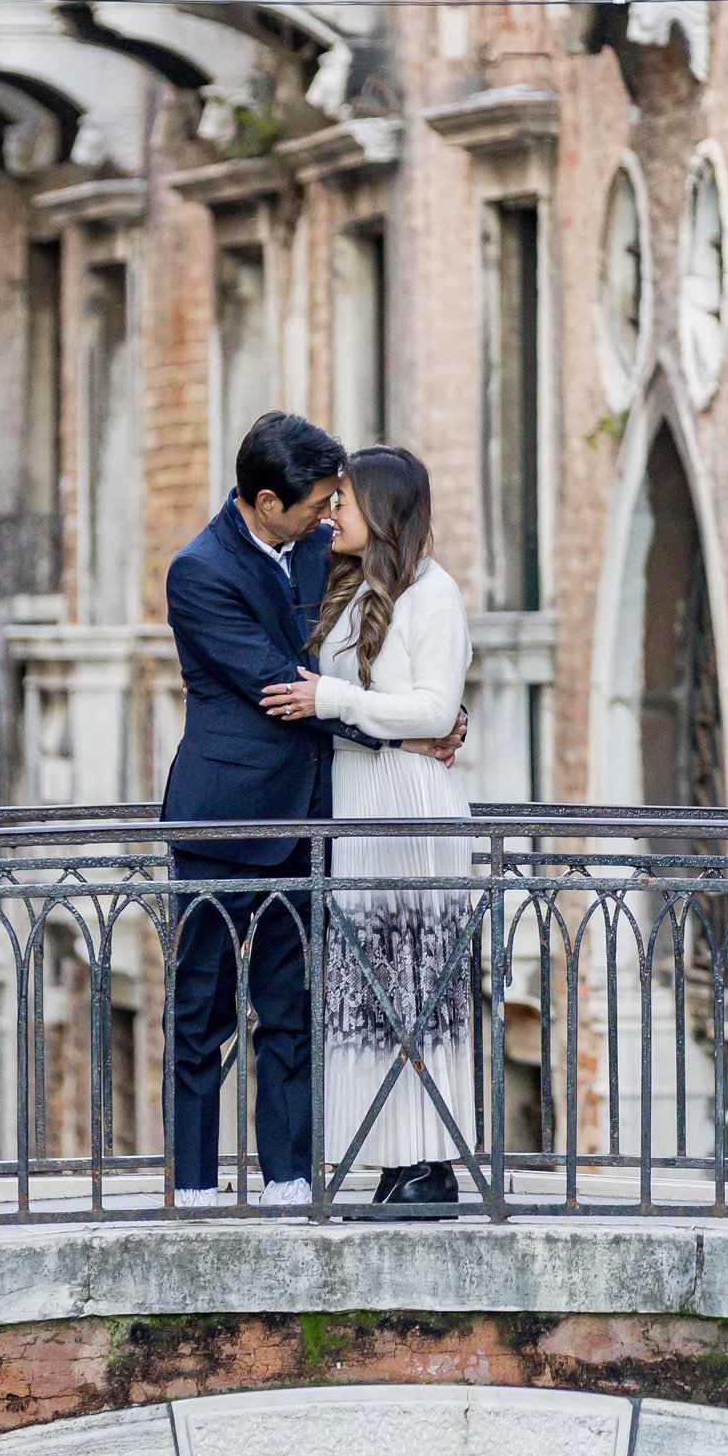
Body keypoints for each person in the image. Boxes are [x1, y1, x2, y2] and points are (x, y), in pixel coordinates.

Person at [261, 447, 474, 1213]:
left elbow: (434, 707)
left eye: (343, 501)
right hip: (360, 805)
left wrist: (335, 700)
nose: (330, 514)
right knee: (373, 992)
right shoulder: (351, 588)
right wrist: (350, 708)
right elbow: (391, 711)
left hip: (410, 809)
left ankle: (430, 1163)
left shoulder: (433, 593)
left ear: (381, 509)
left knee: (416, 988)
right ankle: (394, 1157)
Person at [160, 410, 351, 1209]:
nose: (330, 511)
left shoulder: (323, 547)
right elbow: (277, 684)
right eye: (318, 501)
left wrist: (433, 710)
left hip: (308, 818)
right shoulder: (198, 570)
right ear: (268, 501)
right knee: (200, 1015)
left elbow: (362, 649)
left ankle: (289, 1177)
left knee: (291, 1008)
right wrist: (401, 727)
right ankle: (194, 1184)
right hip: (222, 822)